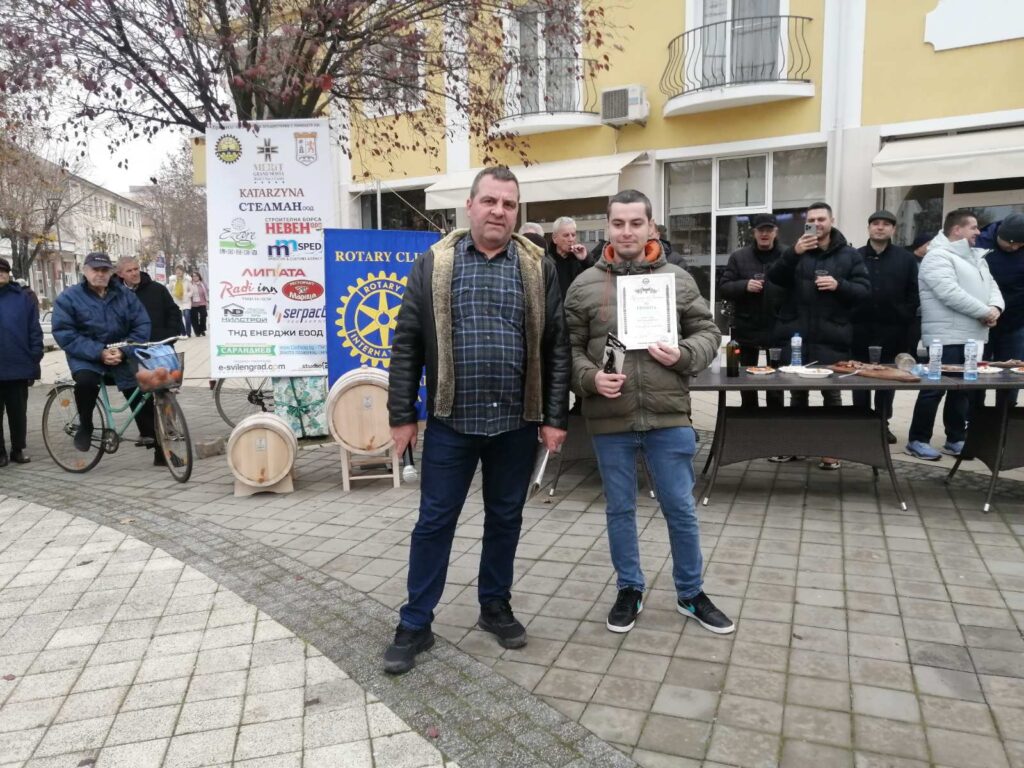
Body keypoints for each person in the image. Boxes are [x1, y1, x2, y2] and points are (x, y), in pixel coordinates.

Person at [384, 167, 570, 674]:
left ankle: (494, 606)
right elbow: (406, 345)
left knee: (505, 519)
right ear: (469, 206)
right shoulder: (434, 264)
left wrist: (555, 417)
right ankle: (415, 622)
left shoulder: (537, 267)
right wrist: (402, 415)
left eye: (508, 204)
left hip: (515, 422)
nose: (498, 211)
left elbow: (557, 347)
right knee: (434, 523)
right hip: (451, 422)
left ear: (517, 212)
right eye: (489, 201)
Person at [564, 189, 733, 636]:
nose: (627, 232)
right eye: (618, 223)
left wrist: (683, 355)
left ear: (651, 227)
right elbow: (568, 349)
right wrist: (590, 379)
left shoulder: (677, 279)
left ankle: (691, 593)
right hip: (610, 418)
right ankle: (629, 588)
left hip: (668, 415)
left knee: (680, 509)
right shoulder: (584, 285)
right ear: (607, 228)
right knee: (620, 509)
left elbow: (708, 332)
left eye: (636, 223)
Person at [768, 201, 871, 469]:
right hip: (797, 334)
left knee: (831, 394)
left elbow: (864, 291)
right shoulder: (796, 251)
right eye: (811, 220)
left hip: (832, 333)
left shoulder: (849, 255)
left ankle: (830, 449)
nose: (816, 224)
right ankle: (795, 446)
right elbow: (774, 278)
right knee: (797, 393)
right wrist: (794, 253)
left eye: (821, 219)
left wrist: (839, 285)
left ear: (831, 221)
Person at [906, 210, 1004, 460]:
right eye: (973, 227)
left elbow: (992, 286)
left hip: (972, 335)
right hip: (945, 336)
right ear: (957, 230)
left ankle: (955, 438)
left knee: (963, 389)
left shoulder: (977, 257)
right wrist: (984, 312)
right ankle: (918, 439)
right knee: (934, 389)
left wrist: (995, 308)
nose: (978, 232)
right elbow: (949, 292)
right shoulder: (937, 256)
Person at [51, 253, 153, 459]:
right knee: (86, 382)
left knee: (141, 386)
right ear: (85, 271)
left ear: (111, 272)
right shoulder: (69, 297)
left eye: (104, 270)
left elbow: (142, 324)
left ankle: (156, 441)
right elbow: (65, 333)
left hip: (120, 351)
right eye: (95, 270)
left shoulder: (125, 295)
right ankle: (86, 425)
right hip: (86, 355)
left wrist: (124, 350)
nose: (100, 274)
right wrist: (99, 352)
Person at [851, 210, 919, 443]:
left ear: (893, 229)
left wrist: (904, 314)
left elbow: (914, 293)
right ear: (869, 228)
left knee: (888, 379)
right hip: (860, 329)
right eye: (876, 223)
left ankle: (882, 423)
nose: (880, 227)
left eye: (886, 224)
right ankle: (860, 423)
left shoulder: (906, 259)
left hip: (893, 330)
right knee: (860, 377)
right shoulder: (854, 256)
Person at [114, 256, 182, 460]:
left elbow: (173, 312)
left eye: (136, 269)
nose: (134, 273)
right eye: (129, 270)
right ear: (120, 274)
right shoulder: (115, 294)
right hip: (133, 351)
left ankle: (168, 430)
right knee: (139, 395)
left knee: (165, 391)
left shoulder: (157, 290)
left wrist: (170, 335)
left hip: (159, 348)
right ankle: (151, 436)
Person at [718, 213, 785, 409]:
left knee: (777, 381)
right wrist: (744, 285)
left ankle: (775, 418)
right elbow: (723, 288)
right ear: (754, 232)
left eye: (768, 230)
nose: (764, 234)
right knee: (747, 380)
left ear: (775, 232)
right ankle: (748, 416)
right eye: (760, 230)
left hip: (777, 326)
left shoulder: (786, 255)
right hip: (746, 327)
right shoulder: (739, 257)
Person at [0, 258, 43, 465]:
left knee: (18, 413)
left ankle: (17, 449)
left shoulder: (22, 298)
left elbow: (34, 329)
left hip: (18, 364)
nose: (0, 274)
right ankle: (0, 453)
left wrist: (35, 355)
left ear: (9, 273)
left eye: (4, 271)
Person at [978, 214, 1024, 402]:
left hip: (1016, 320)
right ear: (999, 234)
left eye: (1020, 244)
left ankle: (1006, 413)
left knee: (1012, 374)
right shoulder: (980, 243)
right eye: (1010, 243)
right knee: (979, 370)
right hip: (982, 319)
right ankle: (974, 413)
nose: (1014, 247)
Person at [547, 216, 592, 300]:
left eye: (573, 235)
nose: (571, 239)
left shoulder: (579, 260)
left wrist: (585, 260)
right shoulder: (546, 262)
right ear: (554, 238)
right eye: (566, 235)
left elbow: (595, 281)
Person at [168, 266, 192, 337]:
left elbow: (191, 290)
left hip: (186, 301)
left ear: (183, 271)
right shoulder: (172, 280)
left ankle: (188, 333)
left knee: (187, 316)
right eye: (177, 270)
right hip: (177, 301)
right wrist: (173, 294)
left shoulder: (187, 280)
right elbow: (170, 289)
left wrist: (187, 295)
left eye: (180, 270)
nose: (178, 272)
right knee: (179, 318)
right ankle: (183, 333)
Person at [189, 272, 209, 337]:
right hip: (192, 304)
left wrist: (207, 300)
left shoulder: (203, 284)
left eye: (196, 276)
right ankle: (197, 331)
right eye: (193, 276)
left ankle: (202, 329)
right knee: (194, 318)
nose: (195, 277)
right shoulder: (190, 284)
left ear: (199, 277)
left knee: (204, 315)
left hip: (202, 302)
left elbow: (207, 291)